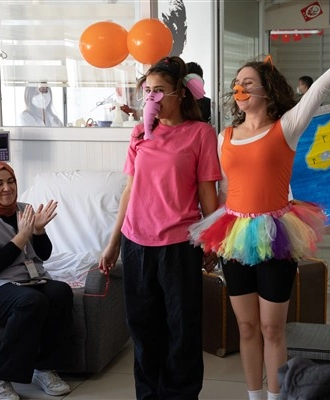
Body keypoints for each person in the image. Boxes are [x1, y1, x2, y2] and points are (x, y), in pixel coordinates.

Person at [188, 21, 330, 400]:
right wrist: (212, 240)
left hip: (276, 234)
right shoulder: (225, 136)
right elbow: (223, 190)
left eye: (248, 82)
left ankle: (277, 396)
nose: (240, 88)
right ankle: (254, 396)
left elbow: (320, 89)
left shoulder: (286, 126)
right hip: (233, 234)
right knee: (247, 328)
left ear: (267, 90)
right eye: (237, 82)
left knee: (272, 328)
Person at [98, 56, 221, 400]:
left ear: (180, 93)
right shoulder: (139, 132)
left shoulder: (200, 133)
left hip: (179, 244)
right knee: (143, 328)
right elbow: (129, 189)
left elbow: (207, 193)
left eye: (160, 90)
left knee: (182, 330)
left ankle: (181, 395)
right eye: (147, 90)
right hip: (136, 242)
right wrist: (113, 243)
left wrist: (212, 241)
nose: (152, 97)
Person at [0, 161, 73, 400]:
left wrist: (38, 231)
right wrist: (22, 236)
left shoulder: (24, 210)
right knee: (30, 302)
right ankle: (1, 378)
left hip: (27, 280)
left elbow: (44, 255)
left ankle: (44, 369)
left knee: (61, 292)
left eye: (11, 181)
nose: (7, 188)